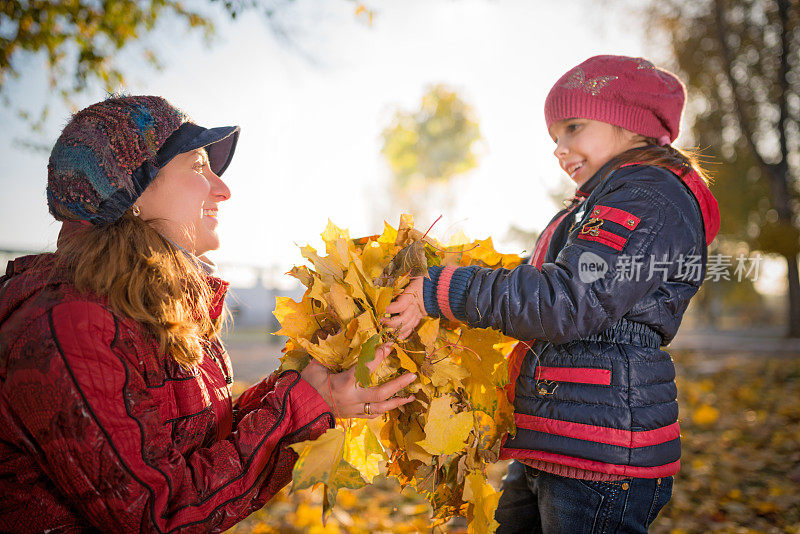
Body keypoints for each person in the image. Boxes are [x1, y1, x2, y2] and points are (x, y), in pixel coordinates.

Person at [0, 95, 416, 532]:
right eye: (198, 167)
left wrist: (311, 390)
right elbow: (157, 516)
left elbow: (195, 442)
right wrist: (300, 404)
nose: (223, 189)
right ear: (133, 193)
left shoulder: (146, 307)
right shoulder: (70, 327)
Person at [385, 55, 721, 533]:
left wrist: (446, 291)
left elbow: (570, 300)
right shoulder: (600, 201)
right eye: (554, 138)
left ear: (631, 122)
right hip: (559, 437)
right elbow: (539, 287)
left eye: (573, 127)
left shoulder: (647, 196)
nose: (560, 149)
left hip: (601, 454)